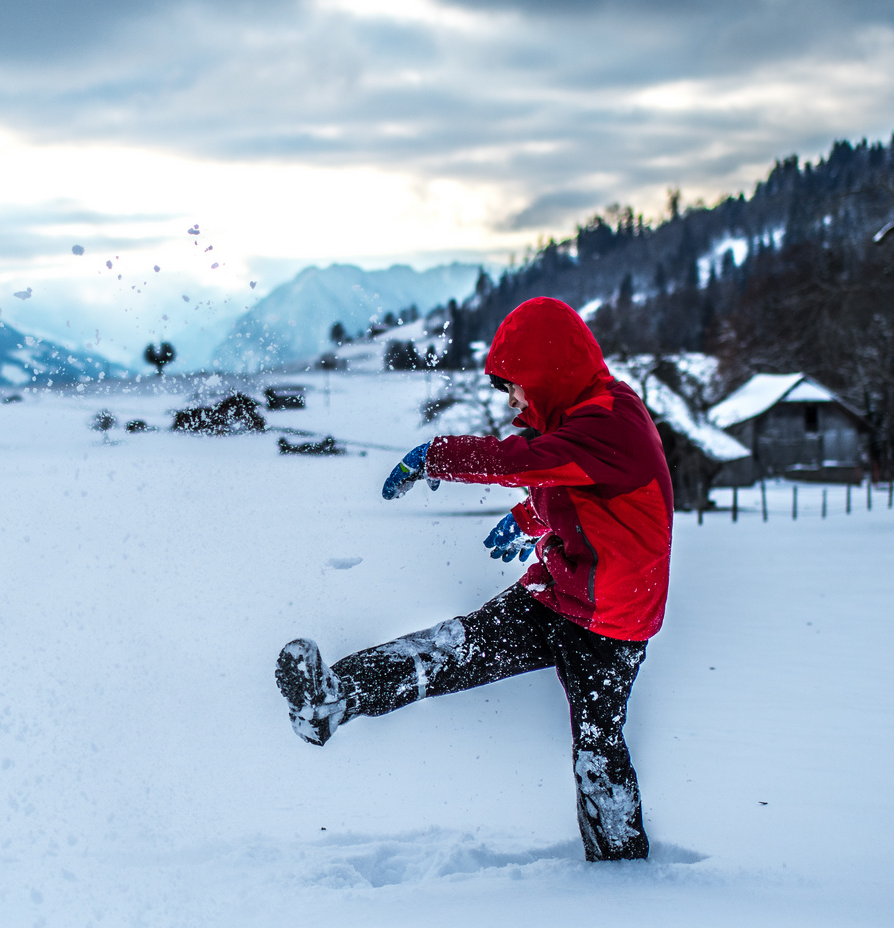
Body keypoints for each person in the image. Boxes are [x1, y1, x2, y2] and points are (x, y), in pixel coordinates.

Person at [274, 297, 672, 862]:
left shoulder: (611, 420)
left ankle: (623, 877)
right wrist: (527, 518)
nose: (512, 400)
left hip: (613, 619)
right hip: (559, 598)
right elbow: (573, 485)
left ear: (548, 369)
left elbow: (526, 461)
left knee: (598, 746)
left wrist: (435, 456)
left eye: (516, 385)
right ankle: (330, 699)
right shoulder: (578, 421)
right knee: (451, 649)